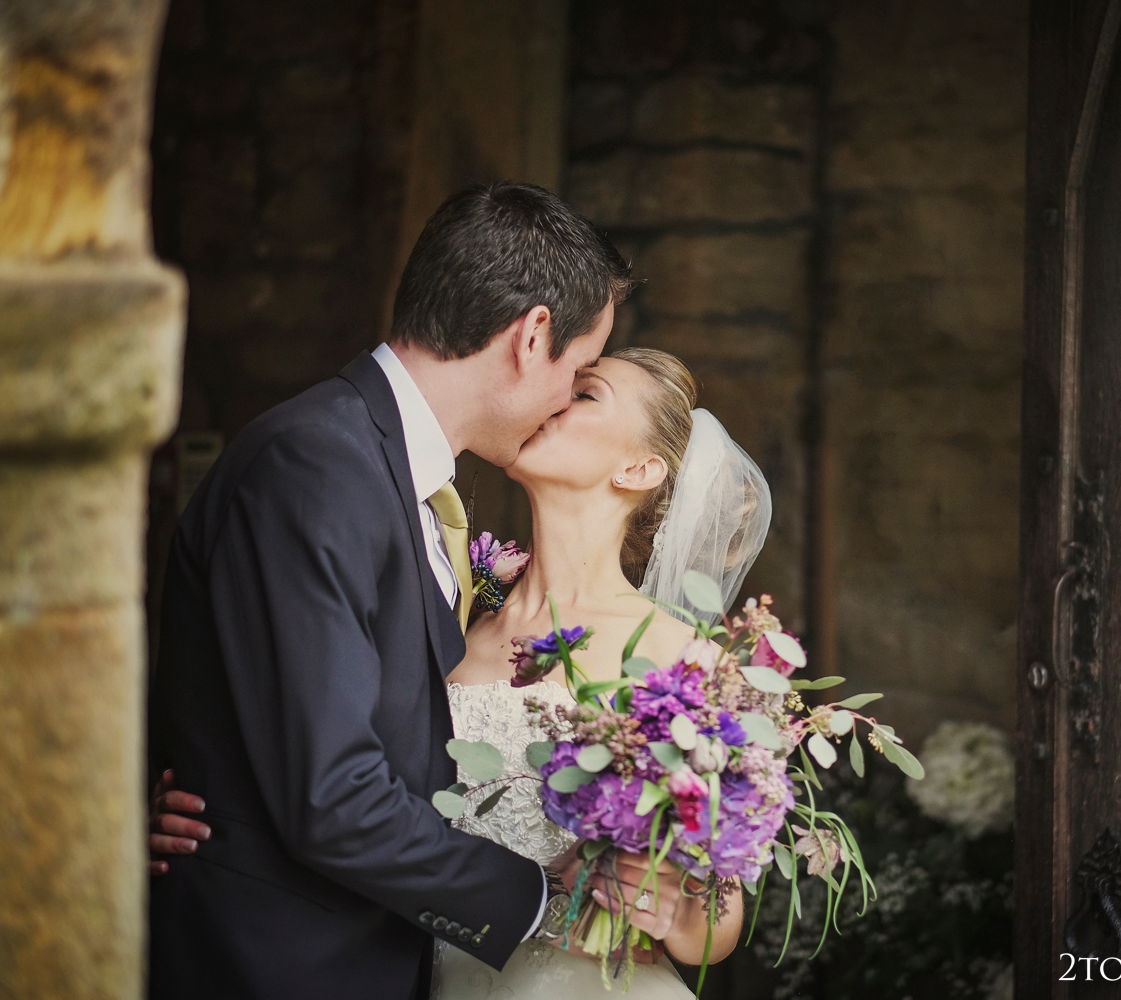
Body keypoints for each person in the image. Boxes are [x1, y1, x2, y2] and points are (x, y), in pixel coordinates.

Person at [156, 346, 774, 998]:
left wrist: (669, 912)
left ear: (638, 467)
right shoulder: (450, 615)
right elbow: (326, 752)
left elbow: (719, 918)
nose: (555, 396)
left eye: (586, 393)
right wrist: (211, 809)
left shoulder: (680, 658)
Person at [147, 183, 629, 1000]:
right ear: (531, 335)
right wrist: (542, 902)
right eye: (576, 371)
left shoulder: (384, 472)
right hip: (276, 968)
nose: (561, 403)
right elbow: (331, 796)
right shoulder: (318, 465)